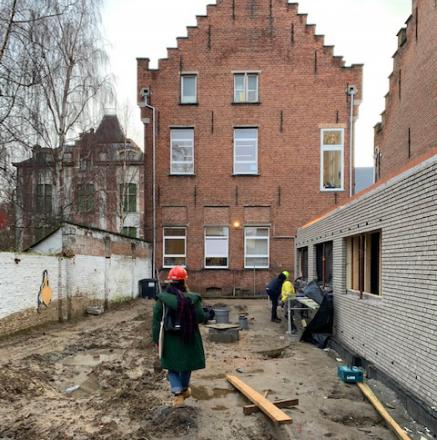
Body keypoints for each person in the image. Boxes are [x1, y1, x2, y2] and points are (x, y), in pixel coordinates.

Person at [152, 266, 206, 407]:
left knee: (172, 367)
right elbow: (201, 317)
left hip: (170, 339)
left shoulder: (162, 300)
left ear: (170, 282)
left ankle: (178, 395)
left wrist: (156, 339)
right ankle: (183, 390)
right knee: (186, 365)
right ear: (184, 281)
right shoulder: (193, 299)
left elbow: (156, 322)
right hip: (189, 337)